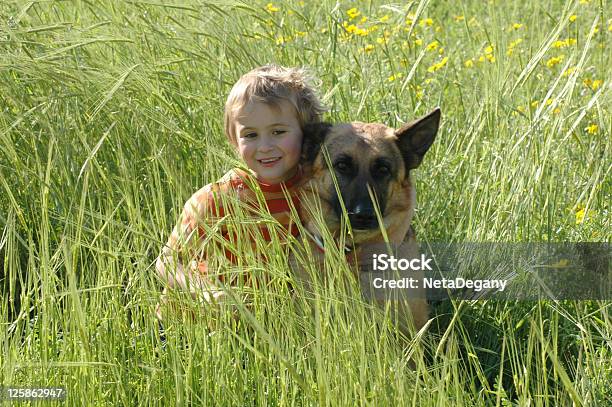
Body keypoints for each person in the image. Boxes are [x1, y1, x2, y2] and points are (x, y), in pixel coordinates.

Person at [155, 65, 326, 322]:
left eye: (278, 132)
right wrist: (202, 290)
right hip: (195, 325)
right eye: (250, 135)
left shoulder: (315, 193)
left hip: (272, 326)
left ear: (307, 134)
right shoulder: (218, 199)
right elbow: (166, 261)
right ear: (234, 140)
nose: (265, 147)